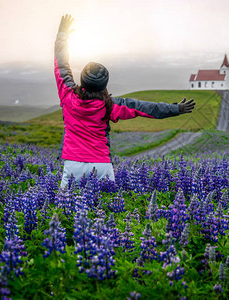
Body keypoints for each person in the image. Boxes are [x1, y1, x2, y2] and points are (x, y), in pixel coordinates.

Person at [55, 14, 195, 188]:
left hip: (72, 162)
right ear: (104, 85)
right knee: (105, 210)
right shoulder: (109, 105)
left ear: (82, 79)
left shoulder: (67, 95)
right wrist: (176, 109)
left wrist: (62, 34)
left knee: (62, 210)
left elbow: (61, 63)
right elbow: (145, 108)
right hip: (101, 165)